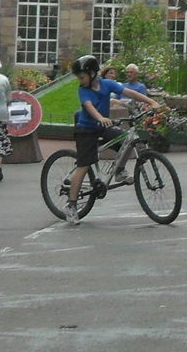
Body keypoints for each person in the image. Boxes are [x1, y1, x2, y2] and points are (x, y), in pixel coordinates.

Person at [65, 54, 162, 225]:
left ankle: (119, 171)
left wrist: (151, 102)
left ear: (93, 73)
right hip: (86, 129)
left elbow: (129, 92)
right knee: (84, 165)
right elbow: (89, 107)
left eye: (82, 77)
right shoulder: (83, 90)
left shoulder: (106, 84)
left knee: (127, 141)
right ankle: (71, 206)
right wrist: (100, 117)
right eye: (79, 78)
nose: (80, 81)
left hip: (102, 126)